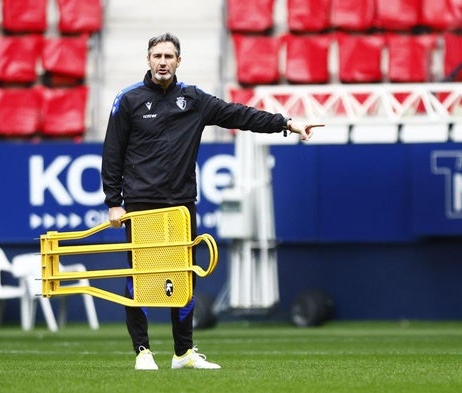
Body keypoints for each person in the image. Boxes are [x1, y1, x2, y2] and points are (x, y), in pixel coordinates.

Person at [101, 32, 324, 371]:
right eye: (157, 56)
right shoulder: (128, 100)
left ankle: (183, 354)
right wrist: (114, 202)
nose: (163, 62)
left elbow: (240, 115)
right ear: (148, 60)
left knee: (185, 277)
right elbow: (112, 153)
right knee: (141, 276)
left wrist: (287, 124)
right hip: (141, 205)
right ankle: (143, 352)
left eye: (169, 56)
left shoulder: (194, 99)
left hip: (180, 205)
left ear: (179, 61)